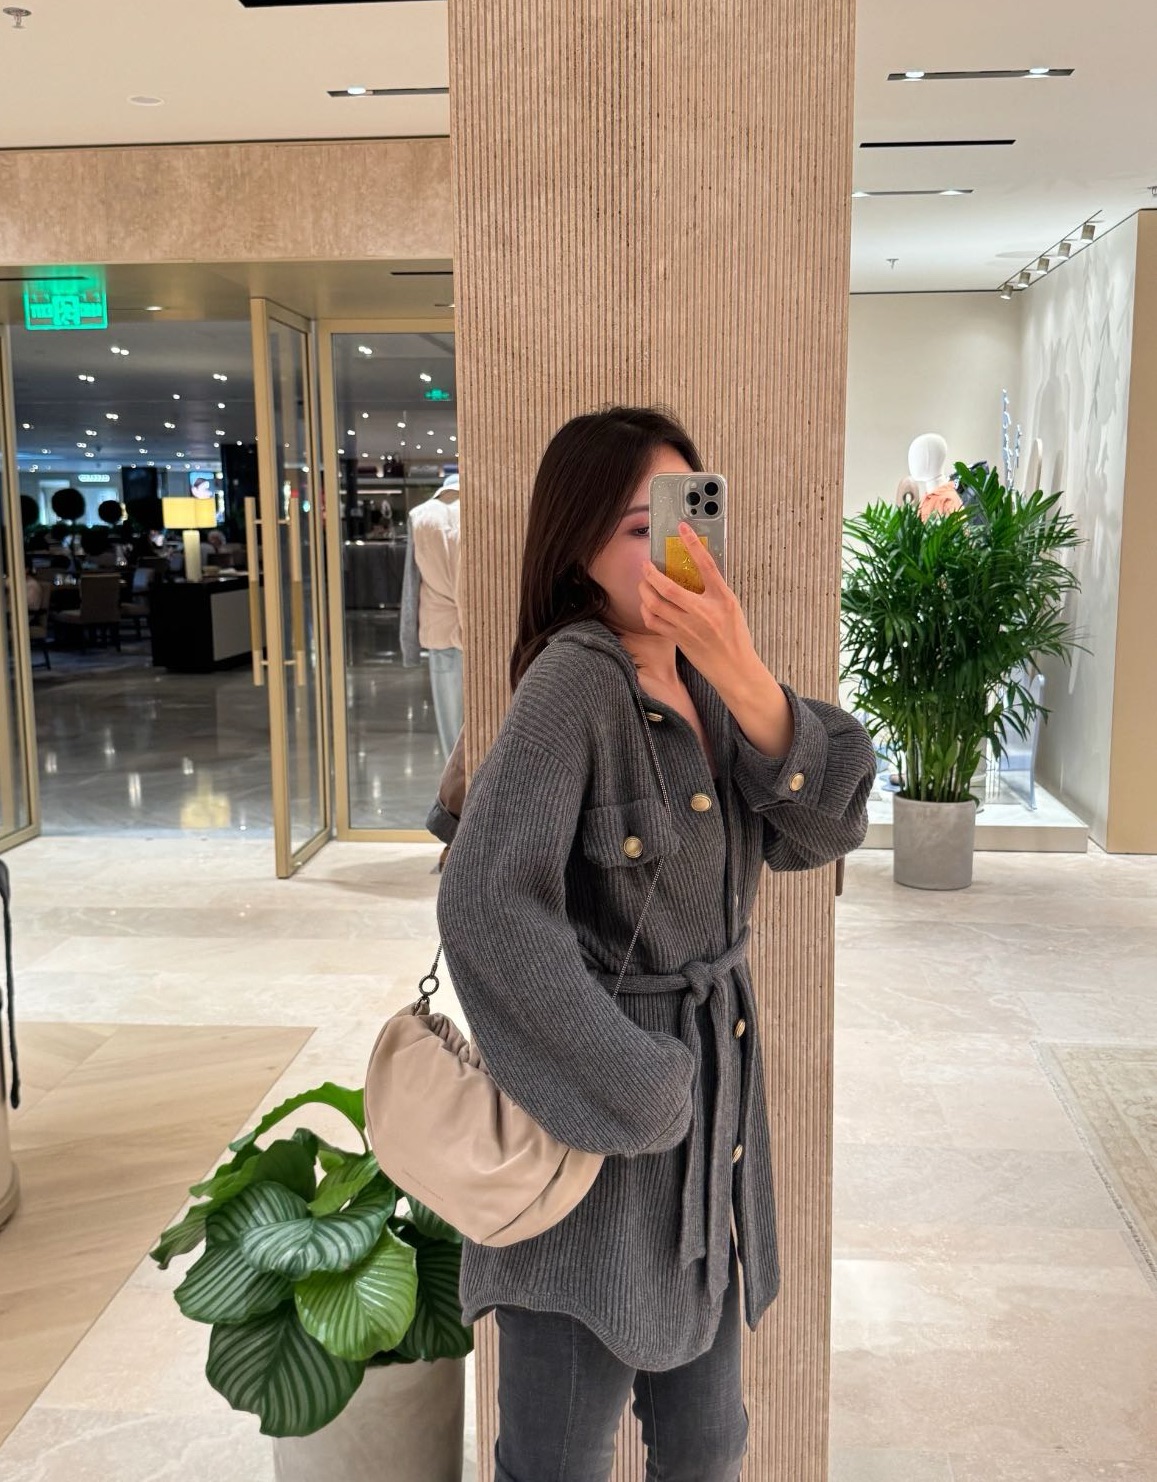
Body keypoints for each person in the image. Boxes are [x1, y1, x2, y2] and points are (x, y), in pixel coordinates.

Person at [435, 406, 877, 1482]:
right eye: (638, 528)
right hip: (588, 1159)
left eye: (683, 518)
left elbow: (824, 828)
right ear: (577, 546)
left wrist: (744, 671)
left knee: (707, 1443)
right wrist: (633, 1083)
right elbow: (485, 905)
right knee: (558, 1459)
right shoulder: (574, 683)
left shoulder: (708, 684)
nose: (671, 549)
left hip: (706, 1152)